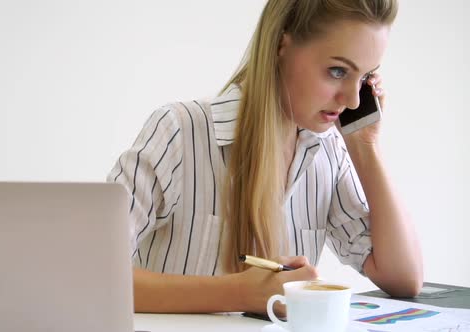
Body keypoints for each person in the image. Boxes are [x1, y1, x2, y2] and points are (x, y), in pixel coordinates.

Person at [107, 0, 423, 315]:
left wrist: (365, 145)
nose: (353, 99)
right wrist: (240, 293)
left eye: (365, 77)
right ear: (281, 45)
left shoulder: (328, 152)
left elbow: (404, 277)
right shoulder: (180, 131)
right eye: (337, 71)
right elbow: (93, 276)